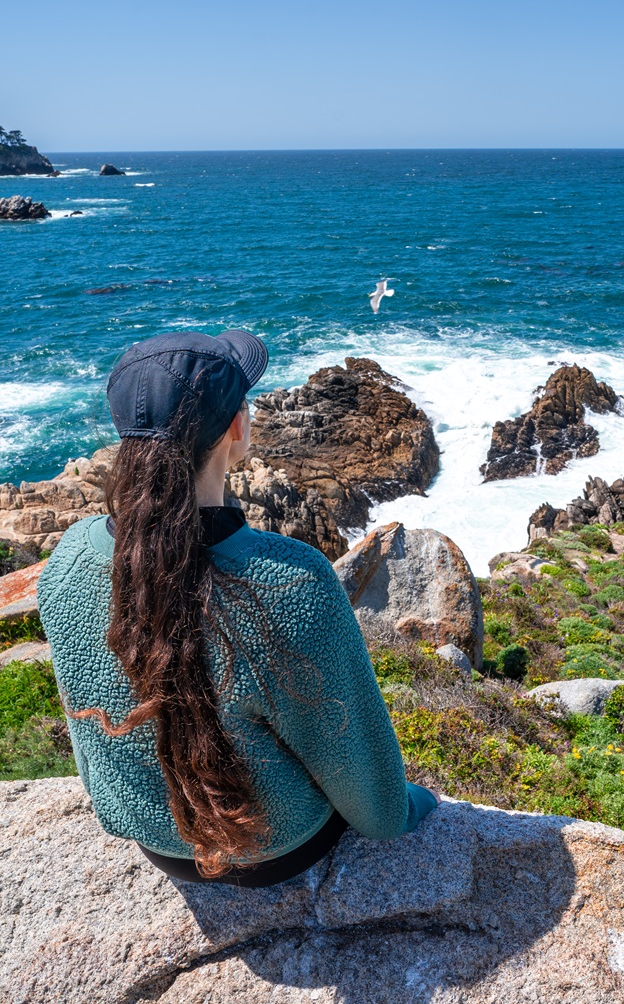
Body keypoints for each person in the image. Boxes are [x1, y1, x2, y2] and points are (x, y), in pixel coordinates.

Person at [37, 330, 439, 887]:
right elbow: (369, 794)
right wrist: (412, 806)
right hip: (277, 848)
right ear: (235, 427)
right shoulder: (289, 579)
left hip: (154, 842)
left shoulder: (67, 561)